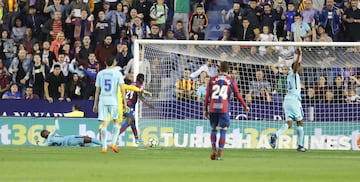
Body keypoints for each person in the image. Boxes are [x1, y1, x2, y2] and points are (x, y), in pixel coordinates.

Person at [204, 61, 250, 160]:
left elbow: (207, 96)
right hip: (223, 108)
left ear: (219, 69)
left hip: (212, 107)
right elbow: (238, 95)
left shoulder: (212, 80)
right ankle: (219, 154)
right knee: (223, 129)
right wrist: (245, 106)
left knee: (213, 129)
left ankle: (213, 150)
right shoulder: (231, 80)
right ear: (228, 70)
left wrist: (205, 109)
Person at [270, 48, 307, 152]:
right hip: (294, 101)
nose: (301, 69)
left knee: (289, 123)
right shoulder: (293, 74)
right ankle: (300, 145)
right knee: (299, 122)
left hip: (287, 100)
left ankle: (275, 135)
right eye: (300, 67)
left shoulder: (290, 76)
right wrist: (299, 55)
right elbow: (295, 67)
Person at [93, 56, 127, 154]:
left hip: (103, 100)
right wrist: (124, 103)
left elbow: (97, 90)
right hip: (113, 100)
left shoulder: (100, 73)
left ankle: (104, 146)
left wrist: (95, 104)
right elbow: (122, 89)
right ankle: (113, 143)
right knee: (116, 122)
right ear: (114, 63)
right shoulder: (117, 74)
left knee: (104, 123)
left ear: (105, 62)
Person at [118, 73, 154, 144]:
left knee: (132, 121)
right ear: (143, 80)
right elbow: (141, 97)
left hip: (124, 103)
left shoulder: (132, 84)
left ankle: (137, 138)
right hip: (129, 105)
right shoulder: (139, 86)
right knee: (129, 120)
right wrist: (148, 104)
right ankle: (117, 135)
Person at [37, 117, 101, 147]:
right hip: (69, 139)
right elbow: (57, 128)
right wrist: (56, 120)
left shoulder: (48, 142)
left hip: (68, 143)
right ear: (45, 134)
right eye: (46, 131)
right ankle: (103, 144)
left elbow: (43, 145)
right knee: (87, 139)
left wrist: (38, 143)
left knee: (85, 142)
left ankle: (100, 145)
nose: (48, 131)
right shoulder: (50, 136)